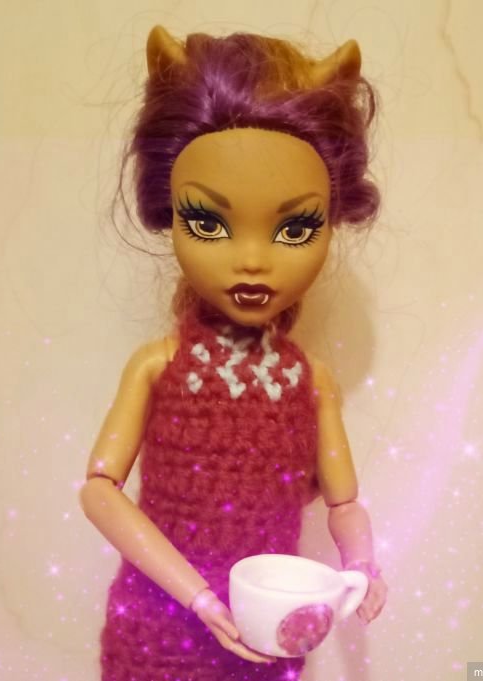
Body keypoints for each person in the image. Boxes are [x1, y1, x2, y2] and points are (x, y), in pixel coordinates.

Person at [79, 24, 388, 681]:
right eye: (208, 222)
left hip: (267, 632)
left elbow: (343, 503)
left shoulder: (310, 381)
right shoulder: (159, 366)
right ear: (168, 212)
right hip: (157, 624)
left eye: (295, 227)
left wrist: (360, 564)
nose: (252, 260)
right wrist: (196, 596)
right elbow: (101, 489)